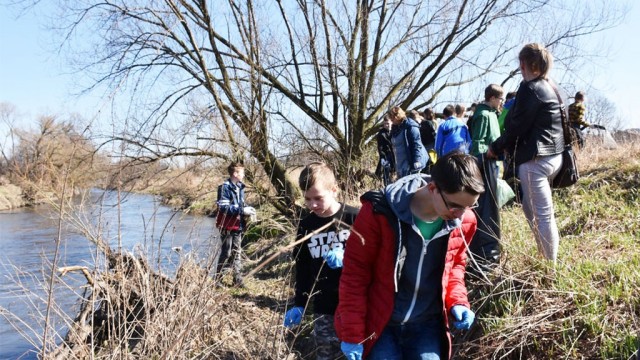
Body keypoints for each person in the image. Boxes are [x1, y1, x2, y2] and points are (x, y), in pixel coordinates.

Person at [335, 152, 485, 360]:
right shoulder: (379, 213)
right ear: (433, 188)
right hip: (380, 324)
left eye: (469, 206)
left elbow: (455, 266)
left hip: (427, 325)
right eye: (455, 206)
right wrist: (352, 334)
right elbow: (354, 275)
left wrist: (458, 301)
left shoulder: (464, 221)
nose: (461, 214)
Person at [487, 43, 565, 262]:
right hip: (553, 156)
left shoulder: (530, 88)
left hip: (536, 161)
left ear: (523, 64)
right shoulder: (551, 86)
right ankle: (544, 256)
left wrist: (494, 148)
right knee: (532, 211)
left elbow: (516, 127)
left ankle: (549, 268)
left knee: (542, 215)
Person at [283, 162, 359, 360]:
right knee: (325, 353)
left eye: (318, 198)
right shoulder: (307, 225)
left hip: (355, 304)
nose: (312, 205)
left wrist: (348, 257)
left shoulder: (354, 217)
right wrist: (299, 302)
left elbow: (372, 257)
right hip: (323, 305)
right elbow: (302, 267)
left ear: (334, 190)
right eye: (307, 199)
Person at [467, 84, 504, 269]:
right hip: (485, 164)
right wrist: (482, 161)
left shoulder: (493, 114)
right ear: (491, 98)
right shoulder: (482, 115)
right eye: (500, 99)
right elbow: (478, 142)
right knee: (485, 205)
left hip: (494, 163)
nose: (502, 102)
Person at [215, 162, 255, 287]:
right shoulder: (224, 187)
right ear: (235, 173)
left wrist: (248, 210)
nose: (244, 175)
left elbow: (240, 204)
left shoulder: (240, 187)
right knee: (226, 252)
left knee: (237, 252)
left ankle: (237, 280)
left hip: (238, 224)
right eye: (242, 172)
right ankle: (218, 280)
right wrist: (241, 210)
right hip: (226, 225)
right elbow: (224, 208)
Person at [389, 106, 429, 178]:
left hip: (410, 164)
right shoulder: (394, 129)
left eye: (392, 117)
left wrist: (417, 161)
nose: (391, 120)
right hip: (400, 166)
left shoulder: (410, 126)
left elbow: (416, 144)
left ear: (397, 116)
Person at [376, 117, 396, 186]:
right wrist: (382, 157)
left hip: (396, 155)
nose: (387, 125)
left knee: (395, 173)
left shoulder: (395, 130)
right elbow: (380, 147)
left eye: (388, 123)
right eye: (385, 124)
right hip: (387, 155)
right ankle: (387, 186)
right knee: (386, 173)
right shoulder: (381, 134)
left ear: (391, 122)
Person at [420, 107, 438, 173]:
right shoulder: (433, 122)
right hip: (432, 144)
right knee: (433, 162)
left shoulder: (425, 123)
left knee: (429, 162)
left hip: (428, 145)